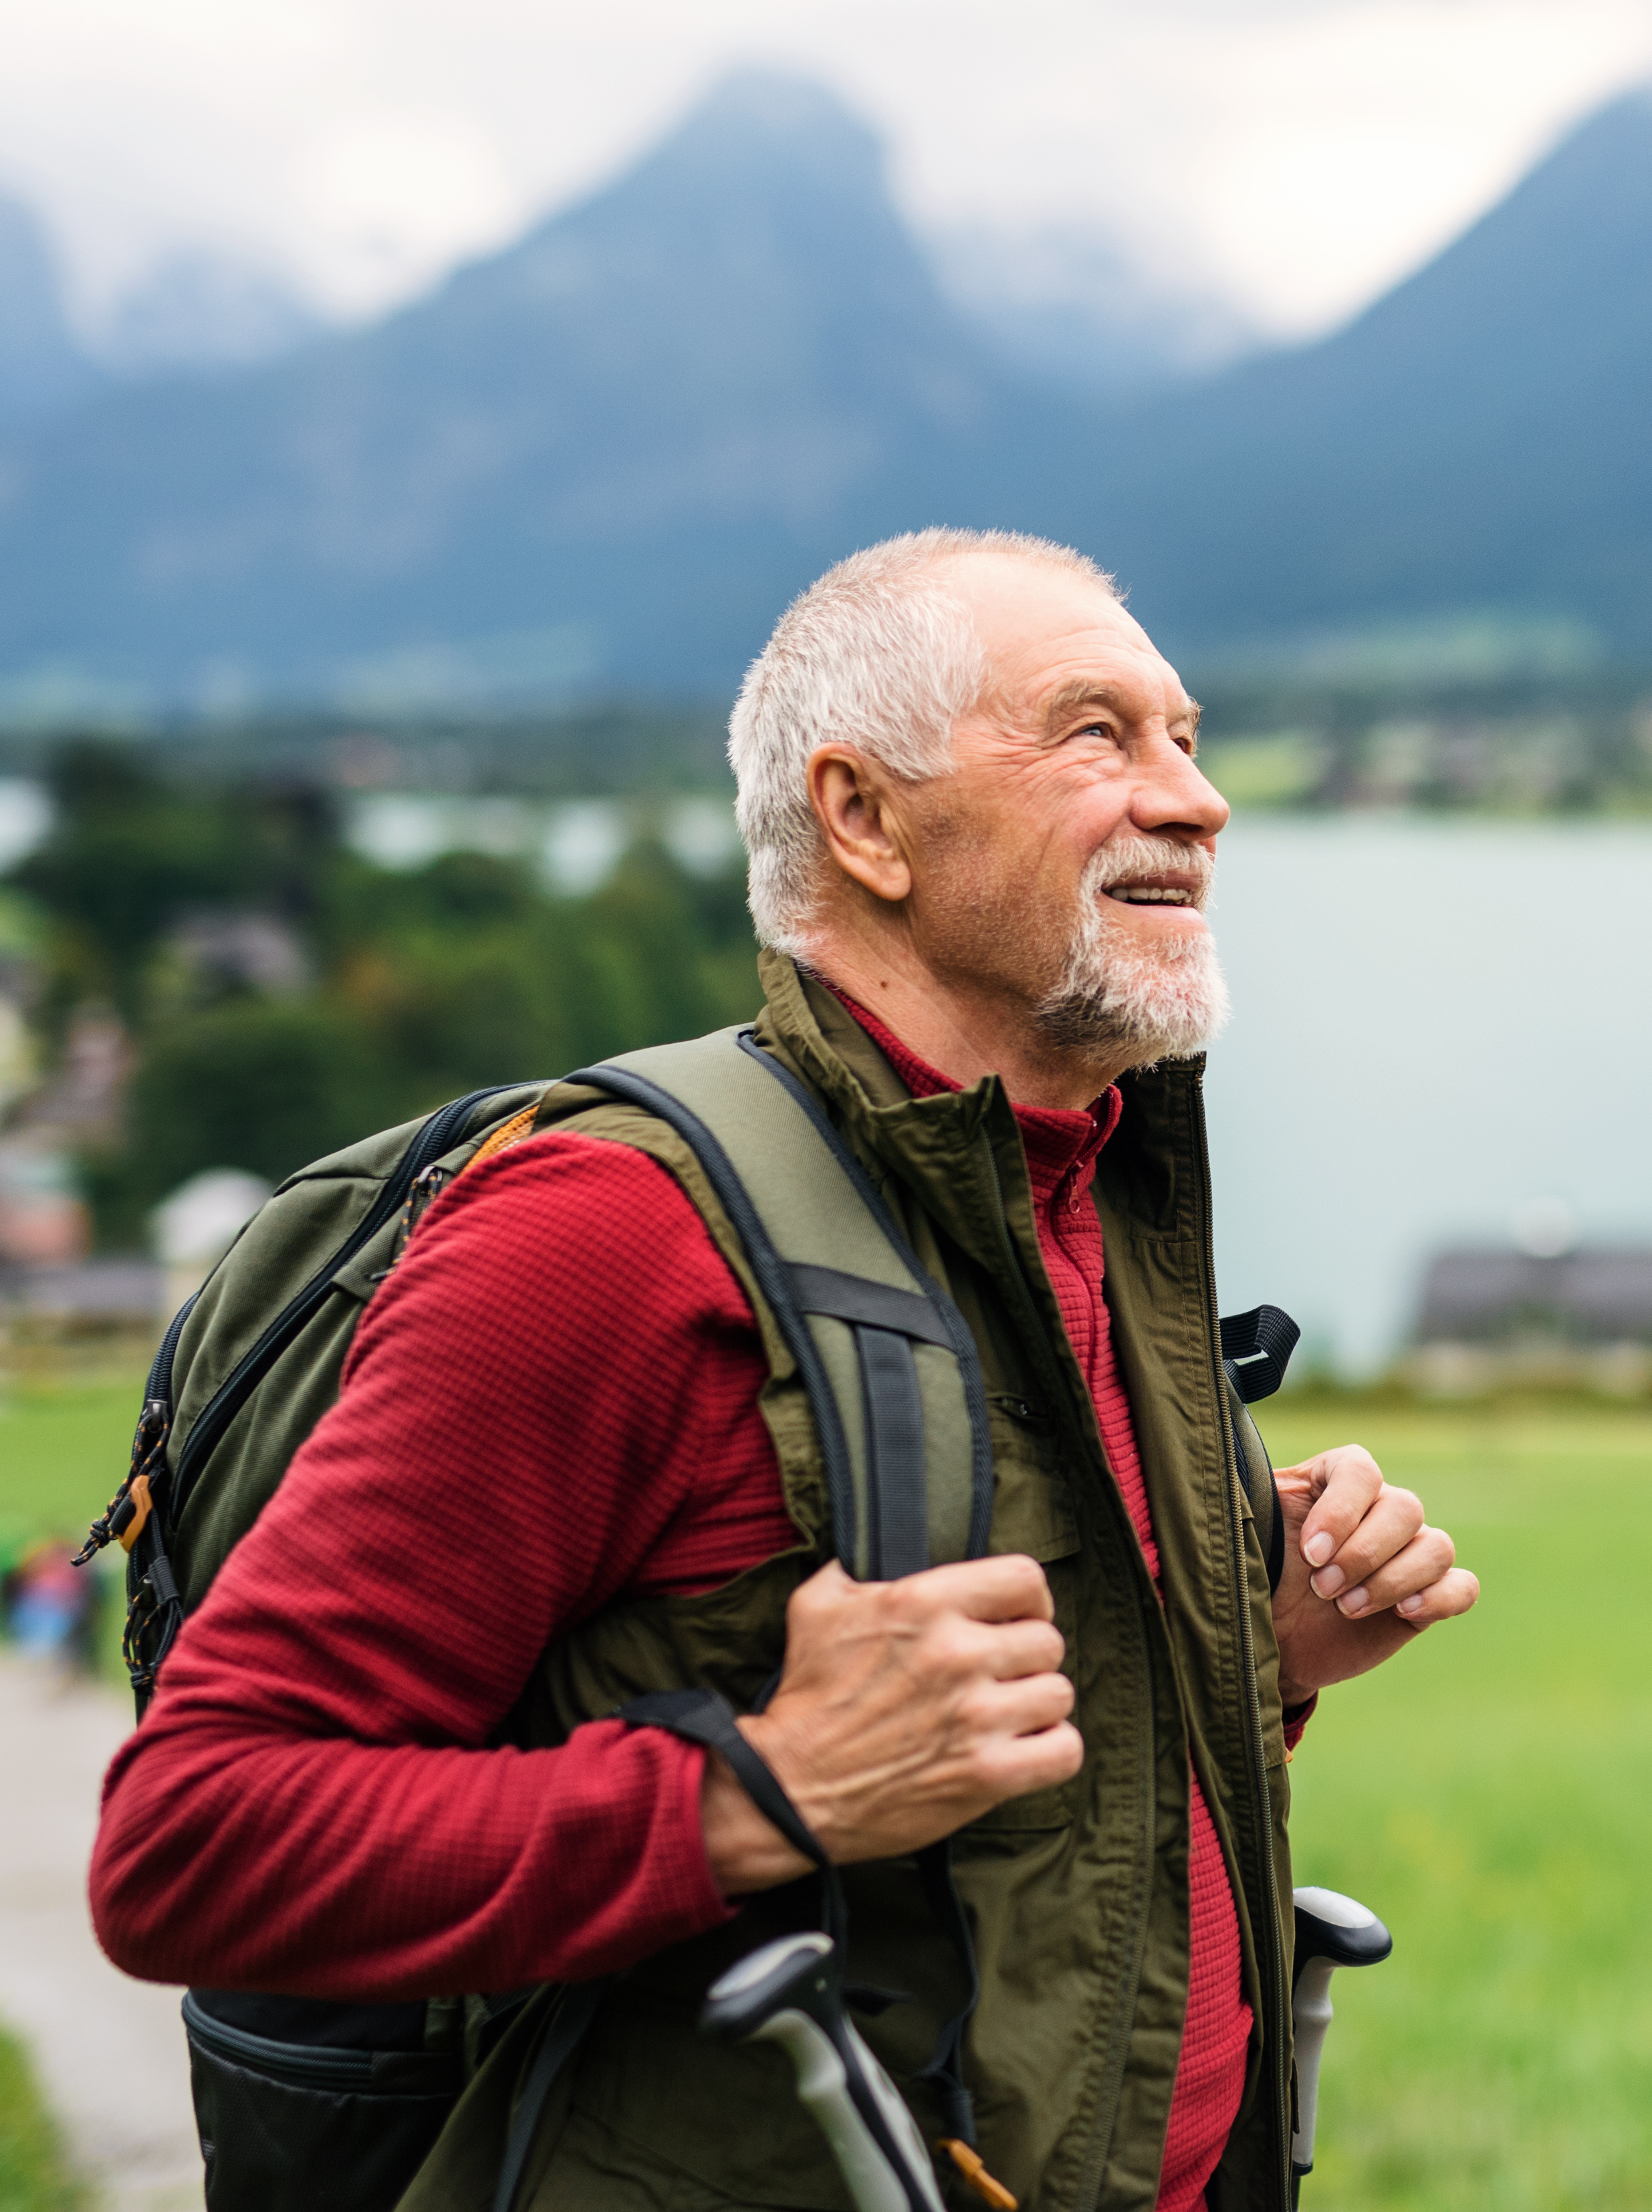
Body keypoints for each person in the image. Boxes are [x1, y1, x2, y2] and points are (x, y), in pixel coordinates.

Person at [90, 530, 1480, 2211]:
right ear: (863, 816)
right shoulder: (608, 1234)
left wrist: (1259, 1662)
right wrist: (764, 1789)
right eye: (1095, 734)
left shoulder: (1090, 1199)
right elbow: (194, 1841)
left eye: (1185, 735)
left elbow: (1012, 1819)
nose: (1195, 799)